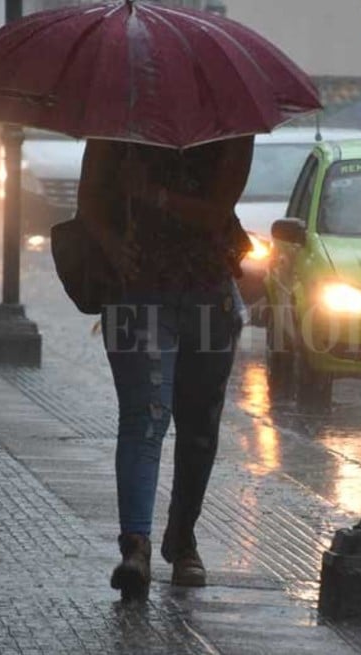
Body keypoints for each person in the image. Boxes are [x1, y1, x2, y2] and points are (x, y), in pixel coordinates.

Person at [77, 136, 253, 602]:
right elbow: (88, 203)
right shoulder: (120, 114)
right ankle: (135, 546)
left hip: (207, 292)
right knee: (144, 417)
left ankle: (182, 539)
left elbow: (218, 211)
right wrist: (113, 246)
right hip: (137, 291)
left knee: (198, 426)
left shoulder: (229, 123)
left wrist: (152, 194)